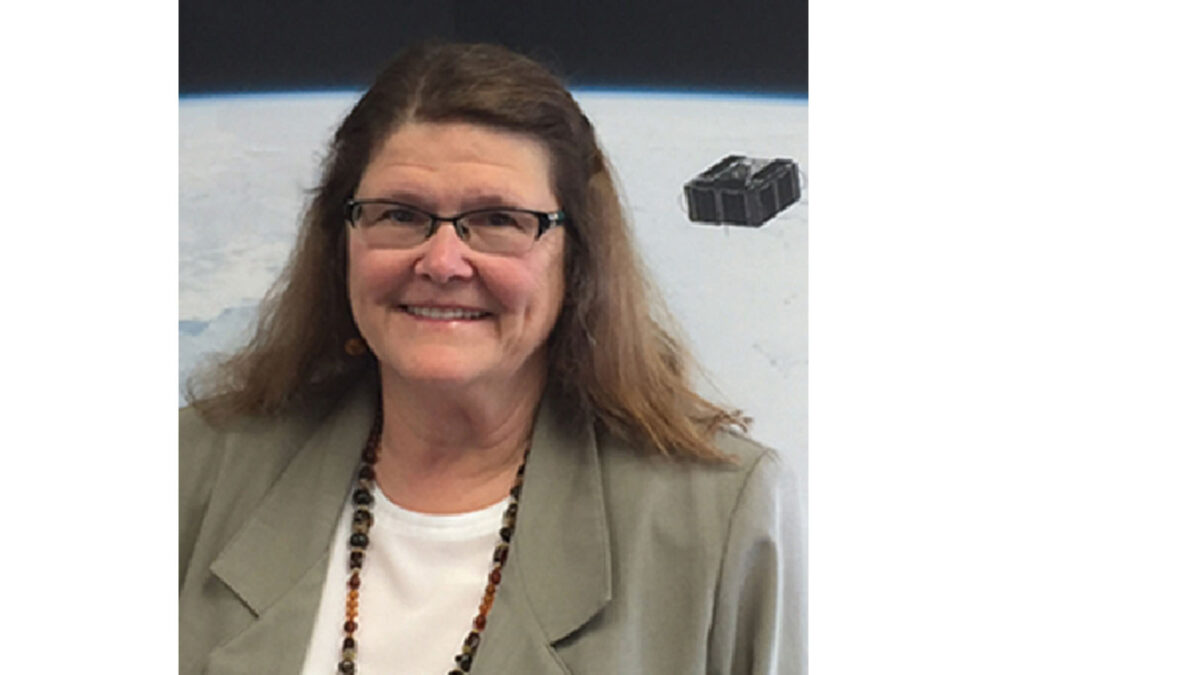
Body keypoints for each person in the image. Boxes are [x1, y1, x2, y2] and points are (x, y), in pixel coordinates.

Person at [180, 41, 803, 675]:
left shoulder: (717, 521)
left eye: (498, 219)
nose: (443, 262)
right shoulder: (192, 472)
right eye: (400, 214)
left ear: (577, 259)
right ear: (341, 245)